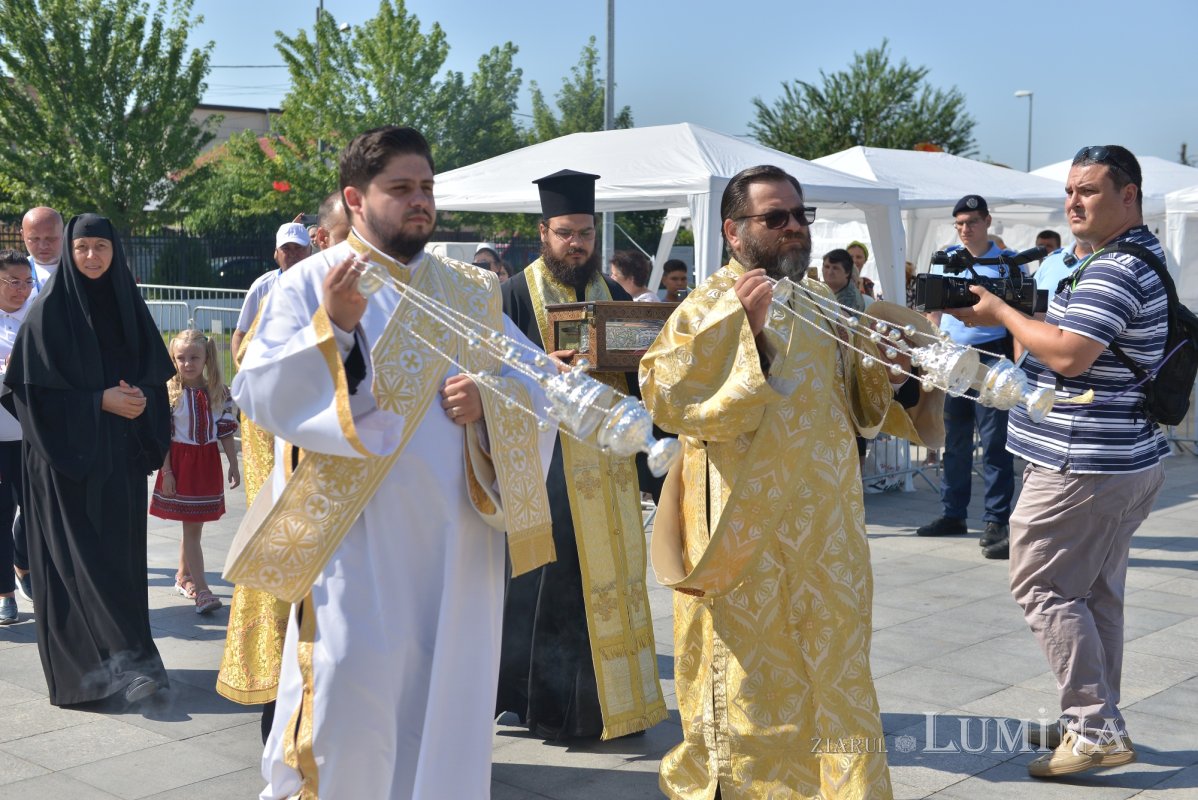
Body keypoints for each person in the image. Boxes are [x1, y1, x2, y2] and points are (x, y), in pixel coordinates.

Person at [231, 125, 556, 798]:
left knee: (447, 705)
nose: (420, 202)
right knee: (349, 701)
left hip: (456, 543)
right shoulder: (310, 283)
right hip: (355, 539)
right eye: (401, 188)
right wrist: (340, 328)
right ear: (356, 198)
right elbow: (259, 389)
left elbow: (535, 383)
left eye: (427, 188)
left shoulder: (472, 291)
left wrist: (490, 402)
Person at [640, 164, 941, 799]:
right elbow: (666, 397)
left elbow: (856, 408)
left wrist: (885, 375)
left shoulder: (823, 303)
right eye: (775, 217)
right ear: (733, 230)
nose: (793, 228)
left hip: (828, 539)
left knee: (836, 676)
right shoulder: (706, 306)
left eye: (799, 215)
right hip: (746, 538)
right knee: (755, 686)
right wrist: (744, 334)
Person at [951, 145, 1167, 779]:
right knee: (1094, 593)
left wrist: (998, 312)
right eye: (1071, 190)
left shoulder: (1116, 268)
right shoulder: (1113, 259)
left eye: (1091, 191)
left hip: (1085, 462)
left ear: (1129, 196)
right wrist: (1013, 315)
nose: (1075, 202)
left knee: (1042, 587)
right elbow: (1064, 342)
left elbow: (1070, 356)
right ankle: (1093, 719)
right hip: (1118, 456)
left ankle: (1094, 727)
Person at [497, 169, 667, 741]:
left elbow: (640, 378)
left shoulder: (615, 296)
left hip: (608, 468)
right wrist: (544, 370)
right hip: (544, 467)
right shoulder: (514, 295)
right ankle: (538, 704)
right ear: (543, 232)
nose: (578, 244)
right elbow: (490, 377)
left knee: (611, 583)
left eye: (586, 234)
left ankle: (608, 705)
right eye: (566, 233)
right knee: (546, 587)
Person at [1, 214, 174, 706]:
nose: (92, 256)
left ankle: (130, 661)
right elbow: (29, 394)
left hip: (116, 464)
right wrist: (97, 401)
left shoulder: (129, 309)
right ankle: (121, 667)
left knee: (118, 565)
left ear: (115, 251)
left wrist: (140, 400)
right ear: (70, 254)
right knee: (82, 566)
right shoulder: (48, 314)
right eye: (83, 248)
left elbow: (154, 378)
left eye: (101, 247)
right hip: (64, 468)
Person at [916, 195, 1021, 559]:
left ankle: (996, 520)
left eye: (972, 222)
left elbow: (1022, 315)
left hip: (992, 359)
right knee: (955, 441)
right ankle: (953, 513)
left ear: (988, 221)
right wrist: (935, 349)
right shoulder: (947, 258)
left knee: (994, 444)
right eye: (959, 223)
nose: (965, 229)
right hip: (954, 359)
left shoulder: (1008, 262)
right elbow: (933, 310)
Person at [149, 329, 240, 615]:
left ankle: (183, 577)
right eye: (180, 358)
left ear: (206, 358)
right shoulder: (170, 393)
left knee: (194, 527)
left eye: (194, 357)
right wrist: (168, 471)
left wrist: (233, 463)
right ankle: (202, 590)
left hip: (206, 463)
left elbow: (225, 430)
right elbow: (164, 435)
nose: (187, 363)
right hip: (180, 463)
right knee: (191, 529)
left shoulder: (219, 393)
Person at [0, 250, 34, 624]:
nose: (21, 290)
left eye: (27, 282)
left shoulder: (37, 317)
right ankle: (4, 593)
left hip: (31, 436)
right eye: (13, 281)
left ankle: (23, 563)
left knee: (36, 511)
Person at [230, 221, 311, 365]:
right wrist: (241, 371)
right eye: (286, 248)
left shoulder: (323, 284)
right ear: (276, 253)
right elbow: (240, 334)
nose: (293, 254)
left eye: (298, 247)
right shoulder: (262, 286)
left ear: (310, 251)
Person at [21, 206, 63, 293]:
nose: (43, 246)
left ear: (63, 233)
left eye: (51, 238)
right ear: (23, 235)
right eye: (34, 239)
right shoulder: (11, 273)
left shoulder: (81, 270)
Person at [822, 247, 866, 311]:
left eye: (835, 268)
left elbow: (840, 319)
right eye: (827, 267)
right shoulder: (825, 288)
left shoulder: (850, 298)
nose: (830, 272)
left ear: (847, 272)